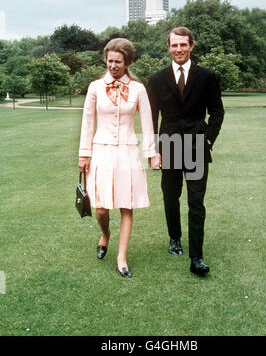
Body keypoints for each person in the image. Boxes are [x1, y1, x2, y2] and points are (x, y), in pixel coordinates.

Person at [147, 27, 224, 277]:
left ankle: (197, 256)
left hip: (196, 147)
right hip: (168, 146)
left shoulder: (206, 76)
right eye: (174, 45)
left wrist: (208, 140)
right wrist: (153, 151)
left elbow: (217, 112)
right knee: (171, 197)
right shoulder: (157, 79)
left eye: (183, 45)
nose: (178, 49)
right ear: (168, 48)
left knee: (196, 202)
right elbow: (150, 117)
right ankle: (174, 238)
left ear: (191, 46)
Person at [78, 38, 156, 278]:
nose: (113, 66)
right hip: (101, 151)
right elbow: (87, 122)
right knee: (100, 208)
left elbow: (147, 122)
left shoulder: (138, 89)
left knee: (126, 205)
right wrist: (84, 153)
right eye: (110, 61)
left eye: (118, 62)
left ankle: (121, 257)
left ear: (127, 62)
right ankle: (105, 235)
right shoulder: (95, 87)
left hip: (128, 152)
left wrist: (150, 153)